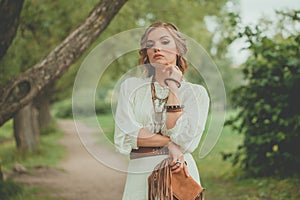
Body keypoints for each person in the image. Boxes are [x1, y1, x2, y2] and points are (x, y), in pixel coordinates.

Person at [114, 22, 210, 200]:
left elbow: (186, 141)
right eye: (150, 45)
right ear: (146, 53)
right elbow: (125, 136)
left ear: (178, 49)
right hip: (140, 174)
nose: (156, 48)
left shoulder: (196, 94)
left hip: (178, 173)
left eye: (164, 42)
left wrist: (173, 88)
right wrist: (170, 144)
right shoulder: (130, 88)